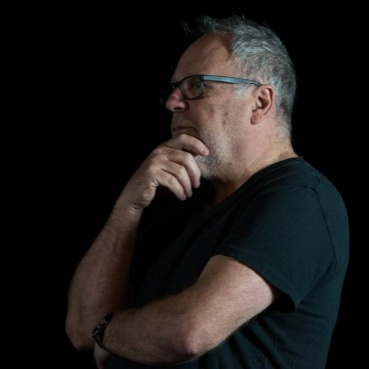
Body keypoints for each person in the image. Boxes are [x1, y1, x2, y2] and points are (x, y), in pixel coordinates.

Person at [65, 14, 350, 369]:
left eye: (196, 85)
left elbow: (189, 333)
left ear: (260, 102)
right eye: (173, 88)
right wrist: (128, 207)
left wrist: (106, 330)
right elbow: (79, 329)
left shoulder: (300, 200)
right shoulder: (179, 201)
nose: (173, 102)